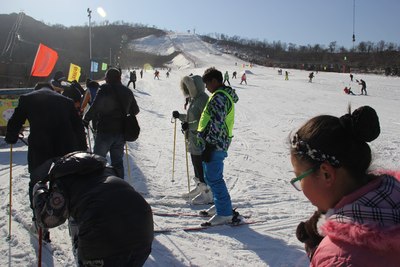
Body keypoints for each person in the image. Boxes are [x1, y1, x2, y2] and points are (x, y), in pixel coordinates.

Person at [289, 105, 400, 266]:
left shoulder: (338, 258)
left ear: (326, 173)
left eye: (300, 178)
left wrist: (324, 255)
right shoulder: (392, 198)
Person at [32, 151, 154, 266]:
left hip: (101, 241)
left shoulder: (63, 182)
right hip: (142, 231)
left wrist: (39, 191)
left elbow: (48, 219)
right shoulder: (108, 171)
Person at [5, 82, 87, 240]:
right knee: (69, 184)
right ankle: (75, 221)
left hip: (41, 150)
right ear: (52, 89)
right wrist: (82, 151)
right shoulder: (66, 101)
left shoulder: (27, 98)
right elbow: (78, 127)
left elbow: (15, 122)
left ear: (37, 89)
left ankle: (39, 224)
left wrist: (11, 137)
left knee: (37, 184)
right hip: (66, 150)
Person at [197, 67, 239, 226]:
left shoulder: (219, 97)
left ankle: (225, 213)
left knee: (214, 177)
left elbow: (217, 123)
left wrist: (209, 145)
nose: (206, 88)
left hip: (215, 143)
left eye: (207, 84)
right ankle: (220, 205)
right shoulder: (221, 95)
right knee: (210, 177)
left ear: (214, 81)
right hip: (216, 142)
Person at [83, 68, 139, 179]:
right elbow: (135, 110)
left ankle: (98, 186)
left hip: (105, 131)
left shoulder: (104, 89)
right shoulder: (127, 91)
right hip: (120, 133)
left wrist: (86, 119)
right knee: (117, 162)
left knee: (98, 161)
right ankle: (118, 186)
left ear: (108, 78)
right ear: (119, 78)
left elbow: (95, 106)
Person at [172, 75, 212, 204]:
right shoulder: (194, 100)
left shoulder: (204, 99)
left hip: (201, 139)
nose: (188, 90)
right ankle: (200, 187)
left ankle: (207, 193)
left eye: (190, 87)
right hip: (193, 138)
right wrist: (180, 116)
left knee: (200, 165)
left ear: (196, 86)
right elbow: (192, 118)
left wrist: (189, 125)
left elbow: (203, 121)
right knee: (195, 164)